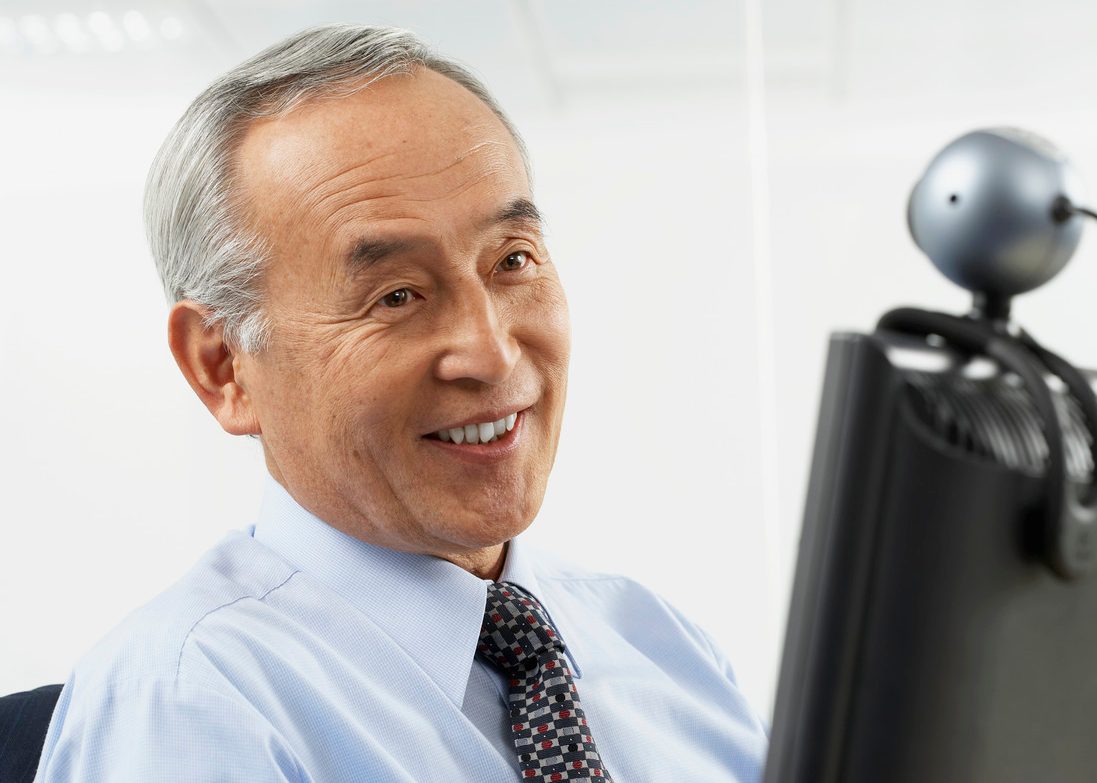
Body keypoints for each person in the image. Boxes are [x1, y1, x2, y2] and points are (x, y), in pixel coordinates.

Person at [34, 23, 768, 782]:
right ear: (223, 365)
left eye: (512, 259)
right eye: (396, 296)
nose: (491, 352)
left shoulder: (663, 647)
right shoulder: (190, 700)